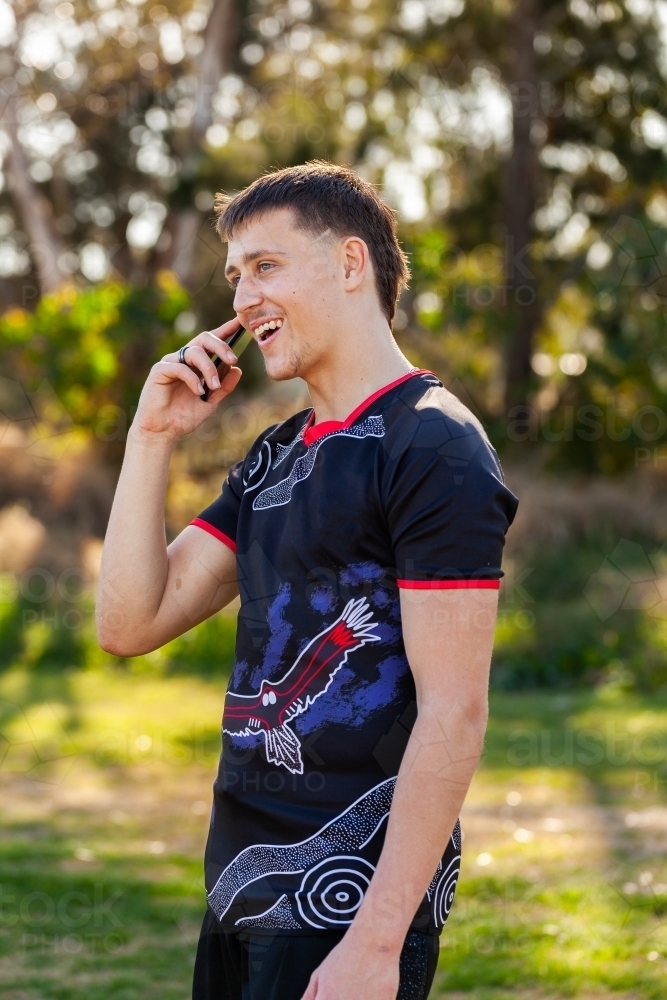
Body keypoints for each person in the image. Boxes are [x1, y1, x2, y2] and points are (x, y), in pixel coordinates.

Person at [96, 161, 518, 1000]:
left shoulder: (432, 446)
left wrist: (376, 941)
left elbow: (454, 709)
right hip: (241, 884)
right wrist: (150, 438)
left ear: (351, 263)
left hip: (348, 909)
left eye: (266, 266)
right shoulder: (276, 455)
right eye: (233, 275)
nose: (242, 298)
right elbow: (130, 624)